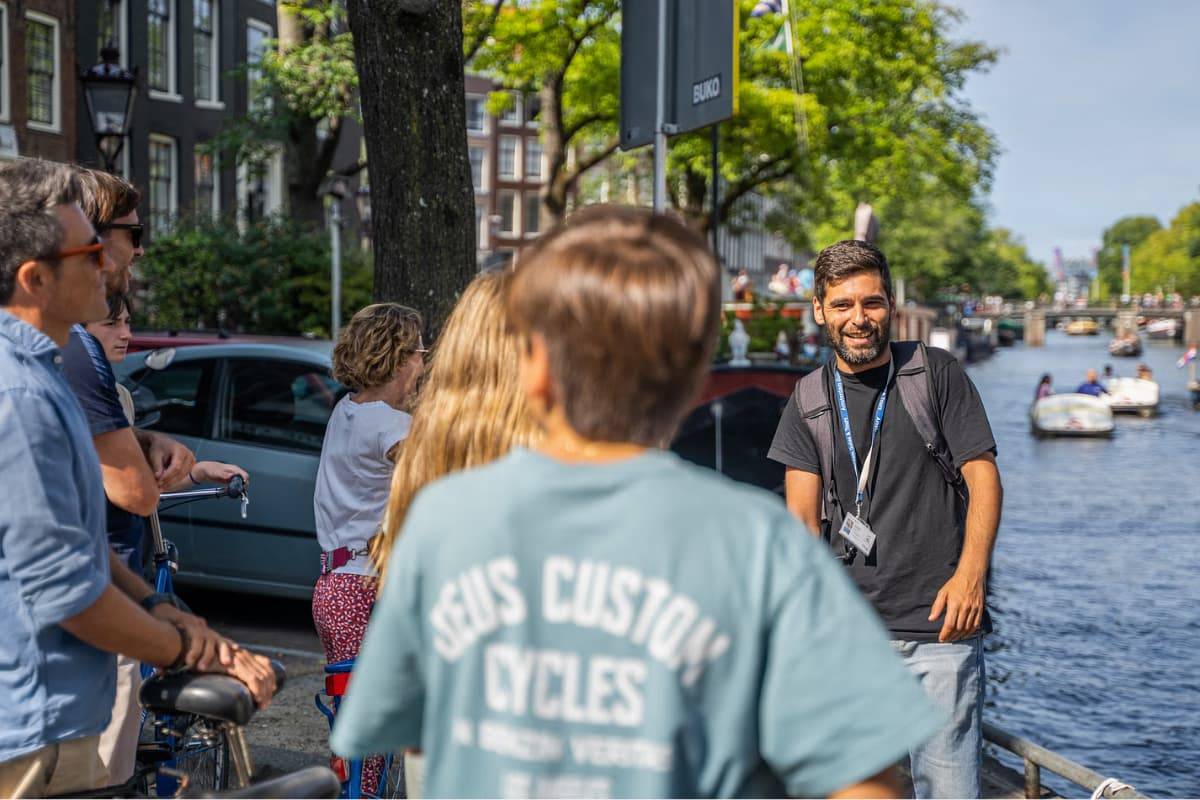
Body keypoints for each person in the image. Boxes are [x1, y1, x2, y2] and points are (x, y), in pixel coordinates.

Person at [331, 207, 940, 798]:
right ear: (693, 378)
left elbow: (407, 735)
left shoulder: (444, 523)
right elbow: (862, 781)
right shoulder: (760, 544)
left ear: (535, 370)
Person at [0, 160, 273, 798]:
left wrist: (163, 611)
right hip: (33, 727)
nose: (107, 263)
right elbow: (63, 588)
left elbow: (77, 544)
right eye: (88, 251)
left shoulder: (44, 372)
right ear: (35, 278)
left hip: (54, 715)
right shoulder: (20, 395)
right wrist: (192, 650)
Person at [768, 239, 1003, 799]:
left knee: (949, 791)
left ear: (889, 305)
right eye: (843, 305)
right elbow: (800, 525)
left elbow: (984, 477)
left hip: (940, 632)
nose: (859, 318)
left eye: (871, 303)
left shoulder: (935, 375)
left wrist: (971, 575)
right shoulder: (807, 401)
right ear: (820, 310)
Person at [311, 302, 424, 794]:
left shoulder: (348, 410)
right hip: (363, 587)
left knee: (353, 736)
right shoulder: (389, 426)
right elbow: (435, 470)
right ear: (400, 360)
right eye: (420, 352)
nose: (424, 362)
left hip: (333, 586)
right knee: (371, 740)